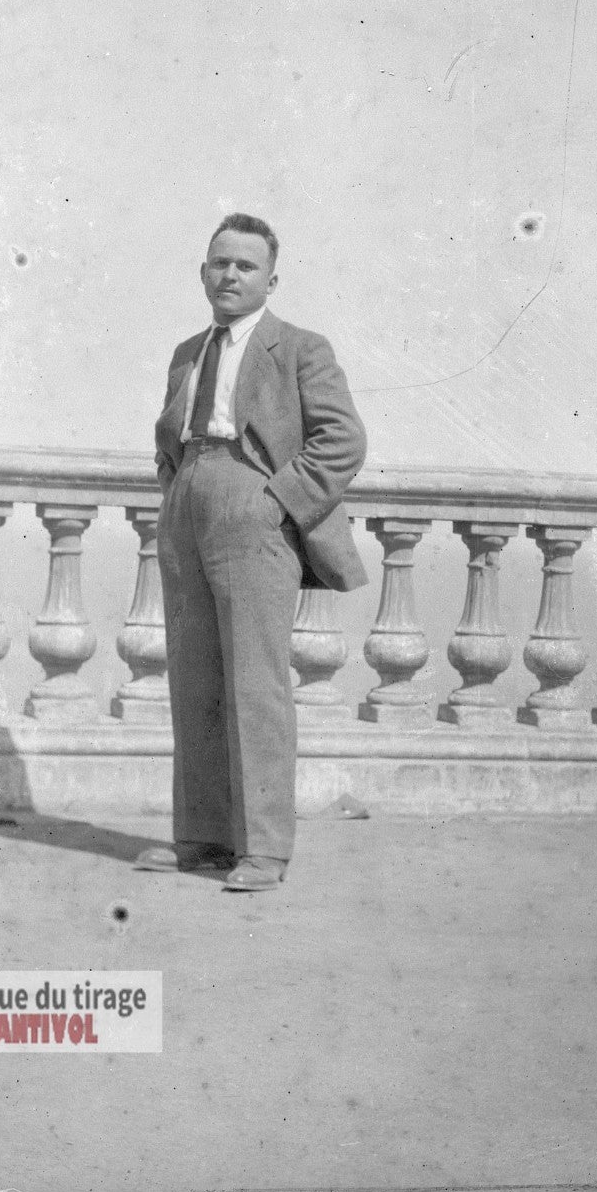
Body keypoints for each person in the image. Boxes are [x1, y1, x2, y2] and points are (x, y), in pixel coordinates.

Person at [134, 213, 368, 891]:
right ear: (203, 272)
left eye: (244, 265)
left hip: (256, 512)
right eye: (219, 263)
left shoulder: (298, 347)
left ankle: (264, 848)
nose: (229, 275)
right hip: (187, 512)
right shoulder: (187, 351)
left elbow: (343, 440)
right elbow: (169, 435)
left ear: (271, 278)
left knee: (256, 684)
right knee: (194, 678)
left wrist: (275, 500)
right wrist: (177, 492)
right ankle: (203, 837)